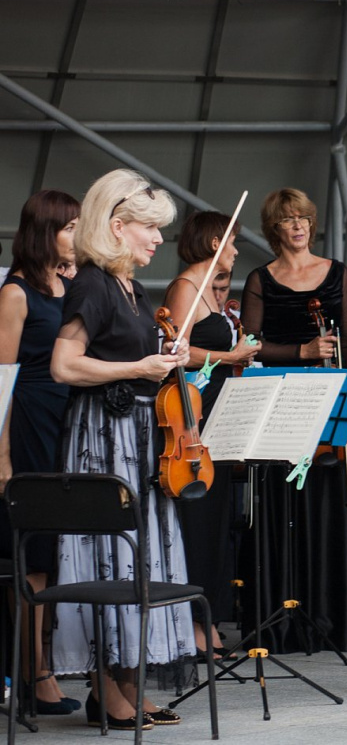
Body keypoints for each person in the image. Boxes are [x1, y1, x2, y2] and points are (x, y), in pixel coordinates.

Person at [49, 169, 191, 730]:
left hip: (136, 433)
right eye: (148, 228)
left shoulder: (133, 288)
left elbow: (137, 362)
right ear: (116, 226)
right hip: (104, 436)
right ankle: (105, 691)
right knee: (112, 550)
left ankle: (129, 684)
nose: (158, 239)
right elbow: (64, 365)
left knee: (139, 553)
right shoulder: (92, 283)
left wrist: (170, 358)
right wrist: (138, 367)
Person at [239, 187, 347, 652]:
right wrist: (301, 351)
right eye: (289, 219)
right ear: (275, 229)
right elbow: (249, 346)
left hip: (330, 400)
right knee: (286, 504)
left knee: (333, 503)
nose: (299, 225)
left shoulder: (335, 272)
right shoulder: (260, 279)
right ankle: (285, 618)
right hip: (284, 402)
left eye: (304, 217)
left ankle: (336, 618)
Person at [162, 210, 258, 659]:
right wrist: (231, 355)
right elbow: (177, 351)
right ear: (217, 241)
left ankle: (212, 623)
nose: (237, 250)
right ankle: (195, 628)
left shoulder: (211, 292)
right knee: (198, 523)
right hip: (192, 417)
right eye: (233, 241)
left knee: (218, 522)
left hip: (217, 413)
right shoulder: (186, 287)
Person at [0, 190, 79, 715]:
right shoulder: (15, 293)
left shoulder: (67, 284)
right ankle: (34, 671)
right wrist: (2, 456)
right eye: (70, 227)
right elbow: (1, 381)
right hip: (29, 420)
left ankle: (46, 663)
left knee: (58, 552)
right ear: (46, 231)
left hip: (65, 421)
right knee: (34, 553)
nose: (77, 235)